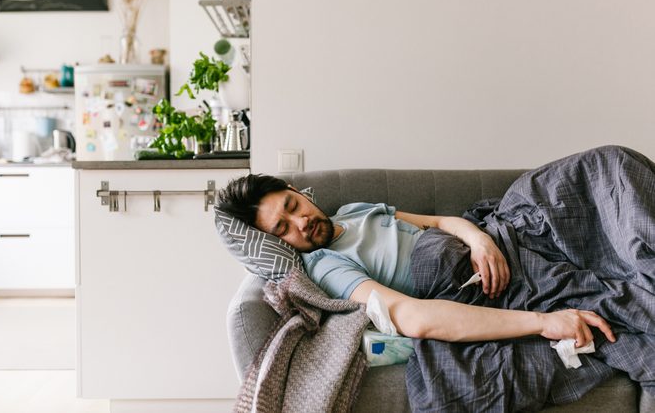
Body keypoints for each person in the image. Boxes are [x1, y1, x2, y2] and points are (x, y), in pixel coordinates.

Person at [216, 172, 617, 348]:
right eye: (283, 230)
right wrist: (543, 322)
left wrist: (479, 239)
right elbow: (412, 317)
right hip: (464, 276)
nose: (300, 223)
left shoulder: (354, 210)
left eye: (291, 206)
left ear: (296, 191)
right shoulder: (325, 266)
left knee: (602, 169)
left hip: (497, 239)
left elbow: (443, 221)